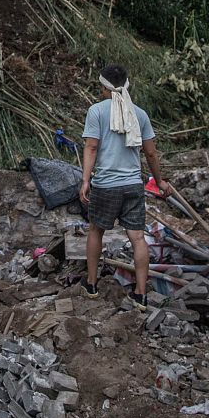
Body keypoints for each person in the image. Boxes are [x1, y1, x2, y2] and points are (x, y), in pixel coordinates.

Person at [79, 63, 174, 304]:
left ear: (104, 88)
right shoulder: (139, 114)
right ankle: (140, 294)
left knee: (96, 230)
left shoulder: (96, 111)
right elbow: (151, 153)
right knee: (138, 238)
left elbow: (91, 146)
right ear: (126, 86)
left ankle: (91, 284)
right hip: (133, 185)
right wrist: (160, 182)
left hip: (106, 185)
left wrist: (86, 180)